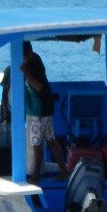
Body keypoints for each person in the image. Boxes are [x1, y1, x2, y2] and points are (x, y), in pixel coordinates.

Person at [20, 40, 67, 182]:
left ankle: (35, 176)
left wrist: (26, 73)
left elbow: (39, 86)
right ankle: (64, 171)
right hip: (44, 108)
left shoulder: (32, 64)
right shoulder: (35, 60)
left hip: (38, 111)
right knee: (51, 140)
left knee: (37, 143)